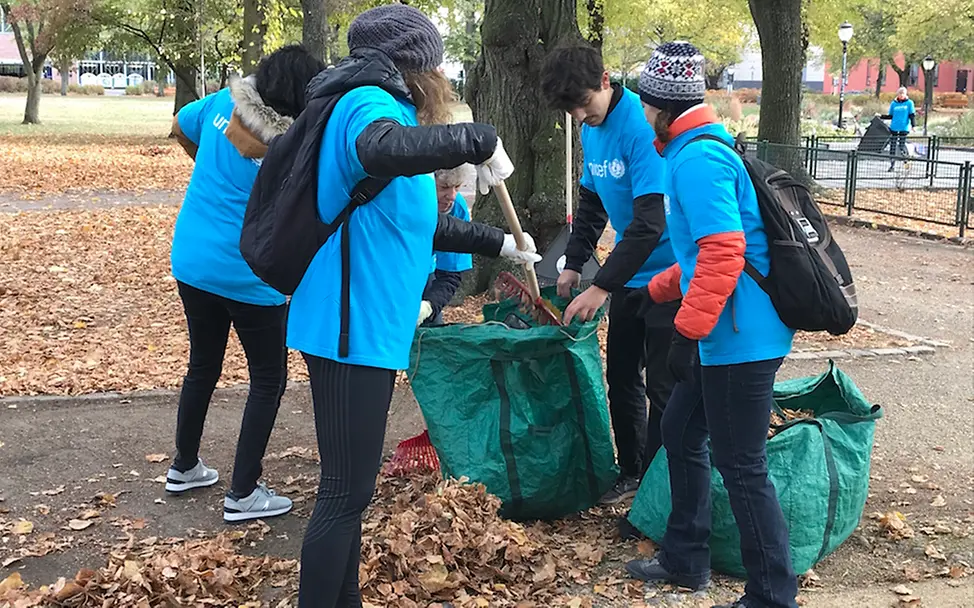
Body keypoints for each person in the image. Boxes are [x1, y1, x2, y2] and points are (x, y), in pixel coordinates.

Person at [282, 5, 539, 606]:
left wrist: (502, 243)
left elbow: (418, 226)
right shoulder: (364, 102)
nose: (442, 79)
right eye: (437, 66)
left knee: (352, 492)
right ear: (415, 64)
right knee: (344, 494)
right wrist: (472, 138)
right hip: (350, 324)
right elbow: (381, 150)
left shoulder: (389, 107)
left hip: (370, 323)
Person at [623, 42, 798, 608]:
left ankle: (772, 594)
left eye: (643, 99)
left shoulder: (697, 158)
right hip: (726, 330)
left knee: (742, 465)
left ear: (658, 104)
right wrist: (656, 289)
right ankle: (684, 558)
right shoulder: (692, 150)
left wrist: (687, 331)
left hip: (739, 337)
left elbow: (725, 251)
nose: (639, 108)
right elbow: (706, 251)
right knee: (679, 432)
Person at [166, 45, 325, 522]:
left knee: (202, 366)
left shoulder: (220, 104)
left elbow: (180, 125)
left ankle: (184, 465)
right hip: (253, 272)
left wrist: (207, 164)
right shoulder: (295, 141)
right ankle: (243, 492)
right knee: (267, 379)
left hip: (193, 259)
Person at [540, 43, 676, 505]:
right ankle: (634, 470)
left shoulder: (640, 126)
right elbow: (592, 204)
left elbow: (649, 223)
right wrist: (574, 263)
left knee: (663, 385)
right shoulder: (590, 129)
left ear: (604, 81)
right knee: (621, 377)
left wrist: (600, 286)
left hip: (672, 275)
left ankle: (660, 487)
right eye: (571, 111)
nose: (580, 115)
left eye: (583, 103)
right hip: (630, 278)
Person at [419, 164, 477, 326]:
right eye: (444, 187)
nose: (451, 196)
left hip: (427, 274)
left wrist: (429, 306)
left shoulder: (456, 207)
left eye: (457, 187)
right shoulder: (402, 200)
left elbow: (451, 274)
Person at [882, 87, 915, 171]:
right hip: (894, 127)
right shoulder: (894, 103)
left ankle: (906, 160)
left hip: (904, 127)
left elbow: (912, 115)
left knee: (901, 145)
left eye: (903, 93)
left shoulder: (909, 103)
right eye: (900, 93)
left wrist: (913, 125)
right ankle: (892, 165)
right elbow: (891, 116)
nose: (901, 95)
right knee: (892, 146)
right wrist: (881, 116)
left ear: (905, 94)